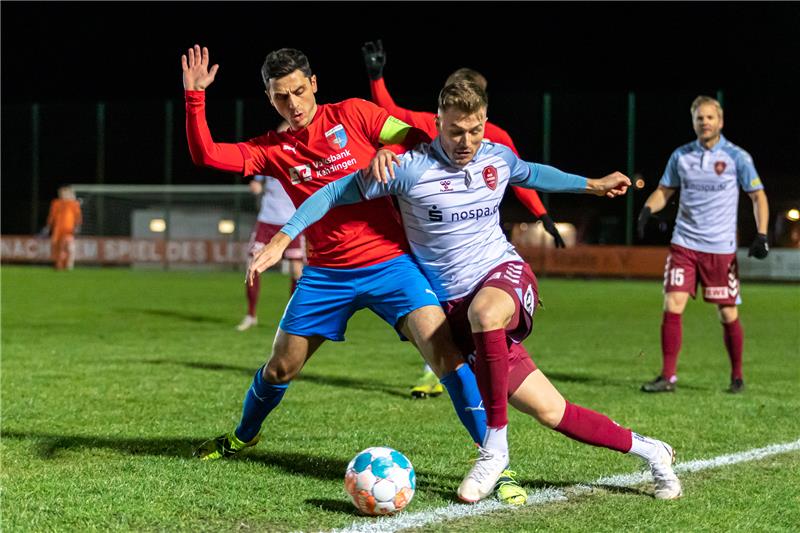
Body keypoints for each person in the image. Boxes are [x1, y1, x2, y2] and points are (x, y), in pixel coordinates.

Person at [250, 80, 683, 503]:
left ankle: (495, 450)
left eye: (475, 130)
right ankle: (653, 451)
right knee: (553, 411)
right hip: (457, 306)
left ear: (485, 123)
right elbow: (329, 194)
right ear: (438, 123)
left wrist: (592, 184)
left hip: (504, 276)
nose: (466, 141)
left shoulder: (496, 158)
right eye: (456, 131)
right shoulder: (409, 169)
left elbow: (535, 173)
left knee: (486, 314)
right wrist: (283, 237)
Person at [181, 45, 526, 504]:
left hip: (391, 263)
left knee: (444, 354)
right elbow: (207, 155)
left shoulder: (356, 114)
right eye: (282, 97)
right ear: (270, 98)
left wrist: (386, 150)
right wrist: (194, 99)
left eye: (300, 91)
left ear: (315, 84)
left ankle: (496, 464)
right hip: (326, 275)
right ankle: (243, 436)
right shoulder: (272, 149)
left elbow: (412, 136)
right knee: (280, 366)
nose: (294, 104)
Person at [362, 39, 566, 400]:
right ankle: (447, 371)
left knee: (477, 306)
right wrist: (376, 78)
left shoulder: (496, 139)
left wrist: (542, 214)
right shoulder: (429, 125)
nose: (466, 137)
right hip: (427, 231)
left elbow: (523, 175)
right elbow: (389, 114)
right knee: (437, 311)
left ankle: (481, 368)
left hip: (474, 235)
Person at [638, 95, 770, 394]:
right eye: (700, 118)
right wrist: (648, 209)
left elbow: (757, 196)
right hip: (684, 244)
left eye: (710, 117)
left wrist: (761, 234)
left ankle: (737, 376)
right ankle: (668, 377)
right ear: (694, 121)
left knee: (727, 313)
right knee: (673, 303)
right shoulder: (681, 156)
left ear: (720, 121)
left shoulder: (738, 157)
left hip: (720, 249)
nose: (705, 122)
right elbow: (664, 190)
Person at [237, 172, 306, 331]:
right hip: (267, 220)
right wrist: (257, 186)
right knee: (252, 266)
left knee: (297, 270)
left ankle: (293, 318)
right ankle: (251, 315)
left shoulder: (298, 161)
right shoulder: (269, 159)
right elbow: (259, 182)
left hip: (292, 222)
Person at [45, 186, 82, 270]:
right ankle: (59, 265)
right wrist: (49, 225)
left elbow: (78, 216)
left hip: (69, 230)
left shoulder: (74, 204)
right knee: (58, 248)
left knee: (70, 247)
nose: (63, 195)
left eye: (65, 193)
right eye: (61, 194)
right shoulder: (56, 203)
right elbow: (52, 216)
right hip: (57, 230)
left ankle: (69, 264)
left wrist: (77, 226)